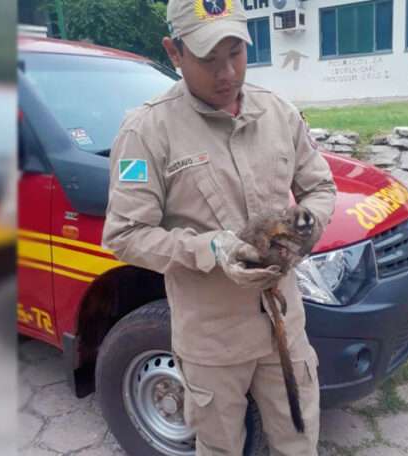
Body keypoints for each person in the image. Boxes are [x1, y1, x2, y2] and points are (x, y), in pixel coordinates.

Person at [101, 0, 336, 454]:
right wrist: (214, 249)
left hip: (285, 325)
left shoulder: (278, 113)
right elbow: (124, 234)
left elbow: (320, 188)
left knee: (300, 439)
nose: (226, 72)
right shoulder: (147, 132)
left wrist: (304, 231)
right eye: (209, 58)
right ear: (174, 52)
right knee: (220, 447)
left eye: (236, 53)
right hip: (211, 339)